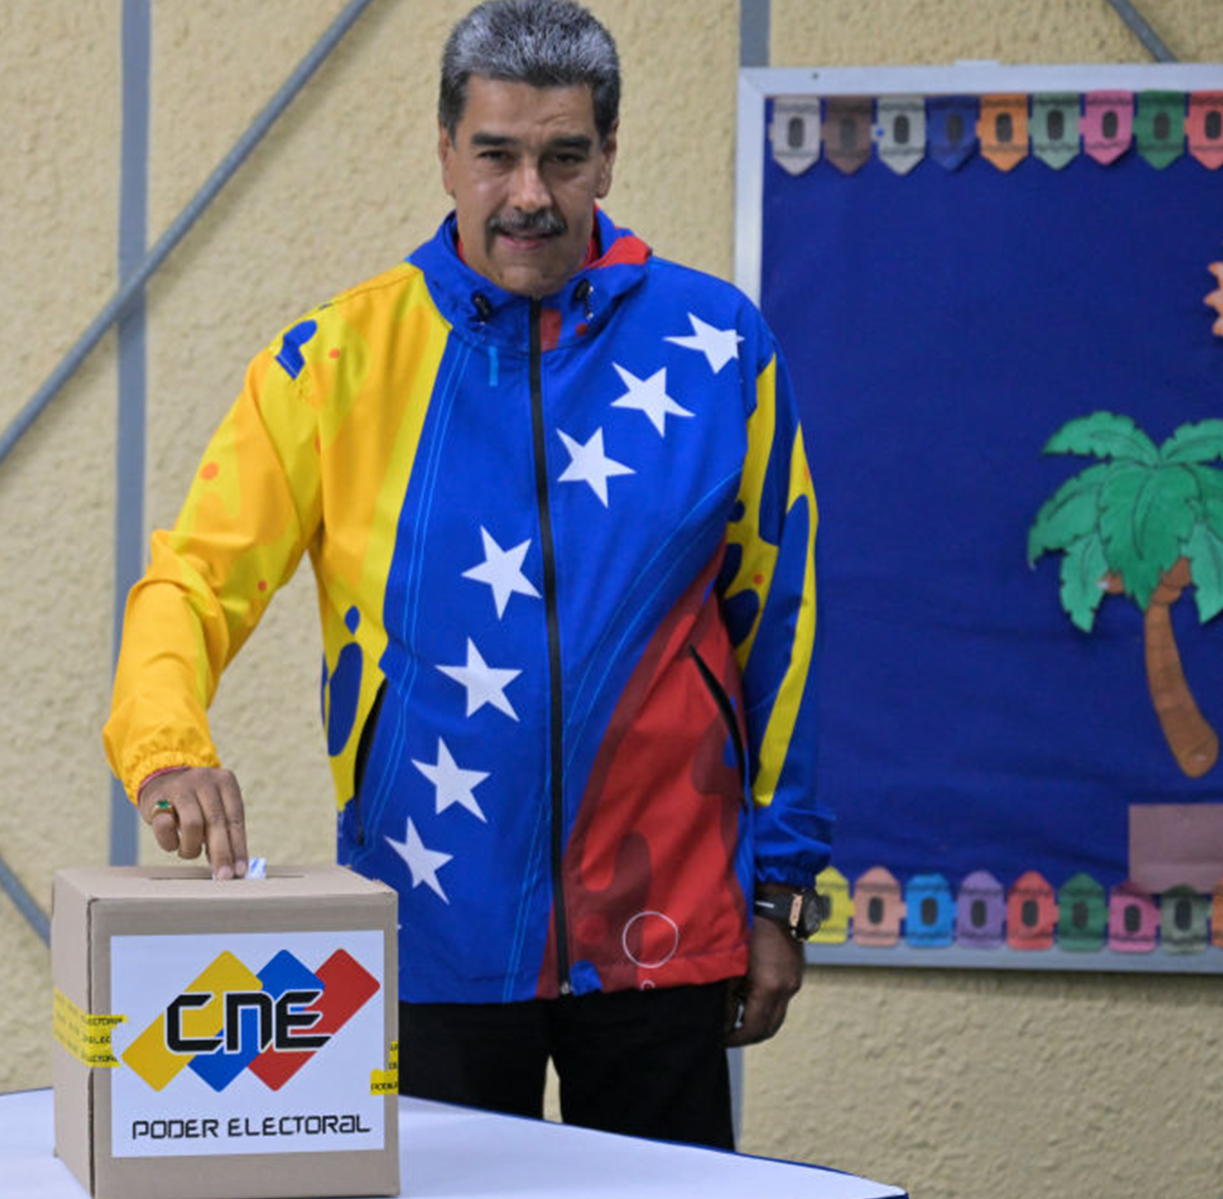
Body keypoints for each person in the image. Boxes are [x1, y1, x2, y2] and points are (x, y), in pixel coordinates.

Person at [104, 0, 831, 1150]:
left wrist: (782, 889)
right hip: (427, 924)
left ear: (609, 155)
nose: (528, 193)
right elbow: (193, 577)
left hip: (664, 923)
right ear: (445, 151)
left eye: (564, 156)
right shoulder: (334, 360)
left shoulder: (721, 346)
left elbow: (781, 624)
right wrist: (166, 745)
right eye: (496, 154)